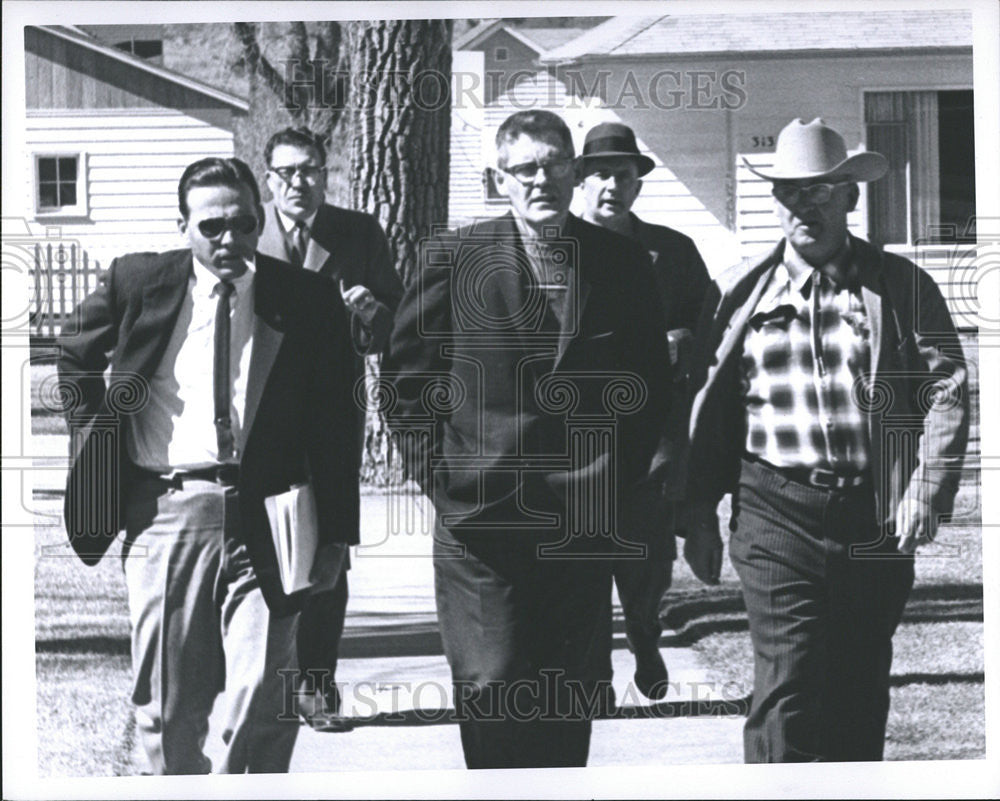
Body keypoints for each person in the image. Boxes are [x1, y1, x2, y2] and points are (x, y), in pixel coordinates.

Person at [382, 109, 672, 768]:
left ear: (573, 170)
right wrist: (445, 483)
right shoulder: (452, 260)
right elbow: (406, 385)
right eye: (525, 168)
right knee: (494, 692)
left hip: (580, 525)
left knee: (566, 702)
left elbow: (650, 387)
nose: (542, 178)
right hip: (481, 526)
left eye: (554, 163)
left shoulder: (621, 264)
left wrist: (609, 478)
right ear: (499, 179)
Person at [58, 157, 360, 773]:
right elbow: (73, 357)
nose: (230, 240)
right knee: (168, 707)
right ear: (184, 225)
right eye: (212, 226)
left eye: (244, 224)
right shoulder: (138, 282)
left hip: (276, 512)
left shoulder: (304, 298)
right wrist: (95, 442)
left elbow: (337, 421)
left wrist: (336, 535)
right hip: (169, 513)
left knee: (264, 697)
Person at [682, 118, 970, 762]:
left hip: (875, 510)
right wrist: (698, 510)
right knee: (787, 678)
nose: (803, 204)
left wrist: (925, 488)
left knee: (859, 679)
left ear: (850, 196)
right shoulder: (738, 291)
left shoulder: (899, 286)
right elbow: (709, 404)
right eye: (789, 191)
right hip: (774, 506)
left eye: (820, 189)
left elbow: (946, 385)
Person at [258, 126, 404, 731]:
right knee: (261, 547)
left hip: (331, 417)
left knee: (327, 552)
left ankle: (317, 685)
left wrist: (371, 312)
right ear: (268, 179)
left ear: (326, 173)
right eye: (287, 172)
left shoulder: (357, 233)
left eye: (310, 170)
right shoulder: (245, 230)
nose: (299, 182)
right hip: (257, 418)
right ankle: (264, 681)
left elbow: (396, 326)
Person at [578, 120, 717, 700]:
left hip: (650, 441)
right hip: (575, 439)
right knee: (581, 566)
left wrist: (683, 335)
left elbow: (710, 327)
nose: (612, 185)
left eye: (624, 175)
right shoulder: (557, 247)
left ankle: (644, 636)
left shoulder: (672, 252)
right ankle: (594, 675)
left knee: (645, 559)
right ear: (581, 181)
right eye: (601, 174)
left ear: (639, 185)